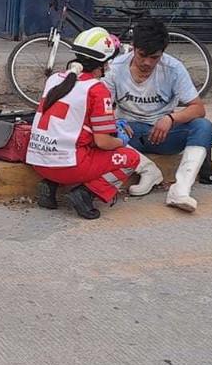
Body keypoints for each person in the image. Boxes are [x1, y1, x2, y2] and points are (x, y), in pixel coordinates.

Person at [27, 27, 158, 220]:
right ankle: (86, 194)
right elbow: (103, 142)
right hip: (69, 167)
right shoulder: (97, 89)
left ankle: (50, 185)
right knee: (130, 158)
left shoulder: (55, 79)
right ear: (104, 63)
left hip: (38, 161)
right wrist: (121, 141)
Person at [103, 19, 212, 212]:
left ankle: (180, 190)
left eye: (154, 57)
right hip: (129, 135)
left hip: (163, 134)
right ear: (133, 48)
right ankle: (148, 171)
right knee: (97, 132)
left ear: (162, 53)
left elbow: (198, 108)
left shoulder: (174, 68)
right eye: (142, 55)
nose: (147, 62)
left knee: (203, 126)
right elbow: (102, 110)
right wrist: (115, 125)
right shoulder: (115, 68)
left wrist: (170, 119)